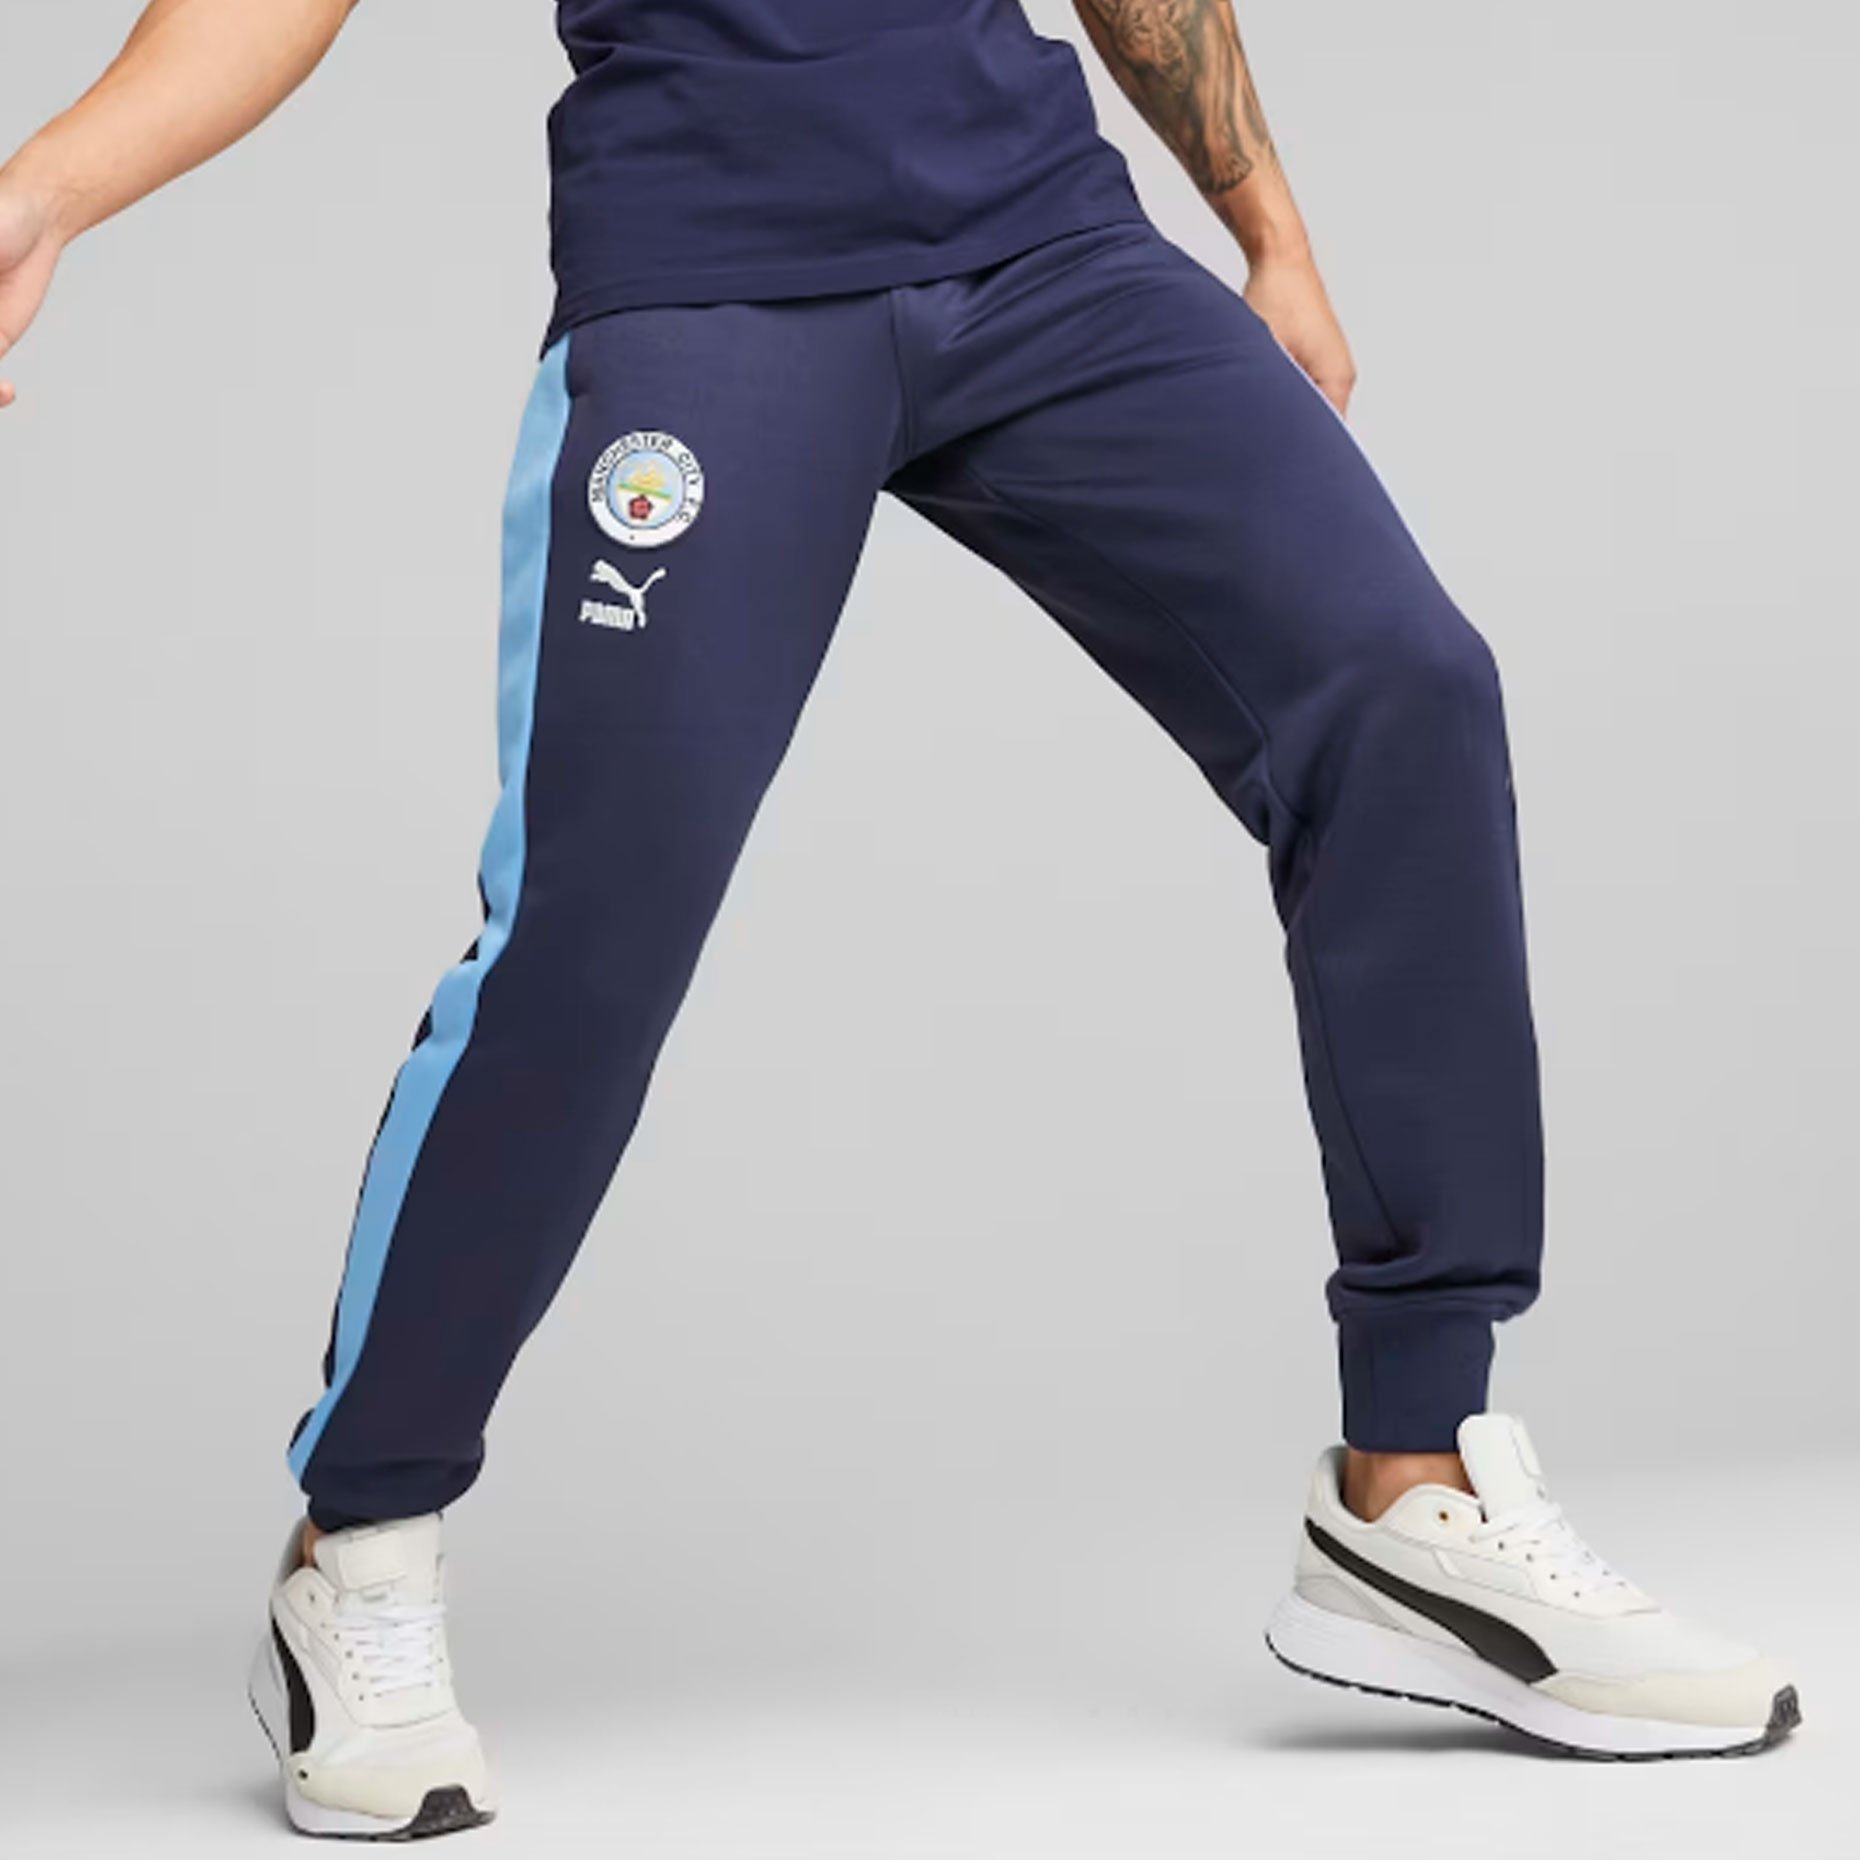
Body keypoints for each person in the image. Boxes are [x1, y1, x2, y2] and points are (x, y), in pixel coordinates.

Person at [0, 0, 1799, 1839]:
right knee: (598, 923)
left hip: (1042, 245)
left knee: (1405, 691)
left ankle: (1414, 1487)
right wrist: (50, 186)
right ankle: (359, 1542)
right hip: (713, 277)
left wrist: (1270, 227)